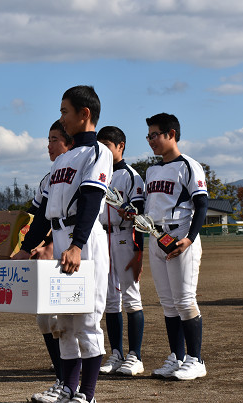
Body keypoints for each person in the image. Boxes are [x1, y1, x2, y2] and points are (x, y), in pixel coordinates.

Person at [14, 85, 112, 403]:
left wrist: (77, 245)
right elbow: (43, 212)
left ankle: (88, 394)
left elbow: (91, 200)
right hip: (61, 238)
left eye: (65, 111)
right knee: (64, 322)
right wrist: (26, 247)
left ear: (84, 114)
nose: (62, 118)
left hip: (84, 241)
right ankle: (68, 388)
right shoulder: (61, 161)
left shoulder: (98, 152)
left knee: (86, 321)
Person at [143, 113, 208, 381]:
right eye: (148, 136)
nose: (150, 140)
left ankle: (196, 360)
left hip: (180, 235)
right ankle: (177, 357)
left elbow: (202, 205)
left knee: (184, 300)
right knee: (168, 304)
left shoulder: (189, 165)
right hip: (156, 236)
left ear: (171, 134)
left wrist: (189, 239)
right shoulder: (151, 171)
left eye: (154, 135)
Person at [29, 120, 74, 403]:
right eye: (48, 139)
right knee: (45, 318)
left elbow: (84, 216)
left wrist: (48, 245)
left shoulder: (80, 172)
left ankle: (73, 384)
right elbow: (35, 219)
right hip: (52, 251)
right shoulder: (48, 179)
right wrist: (25, 246)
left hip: (73, 249)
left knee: (67, 320)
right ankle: (62, 380)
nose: (49, 145)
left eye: (54, 139)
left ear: (69, 143)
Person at [96, 126, 146, 376]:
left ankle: (135, 356)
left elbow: (140, 215)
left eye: (107, 145)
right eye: (100, 146)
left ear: (120, 146)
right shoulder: (98, 173)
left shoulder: (131, 176)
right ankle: (116, 353)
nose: (102, 150)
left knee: (130, 296)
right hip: (101, 236)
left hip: (125, 236)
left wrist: (139, 252)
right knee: (110, 299)